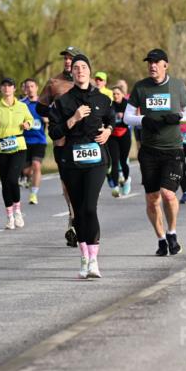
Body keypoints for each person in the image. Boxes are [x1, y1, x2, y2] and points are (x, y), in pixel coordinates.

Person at [48, 54, 113, 278]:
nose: (80, 71)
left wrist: (108, 131)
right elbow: (54, 132)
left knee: (90, 208)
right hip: (72, 162)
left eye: (84, 67)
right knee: (78, 211)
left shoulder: (102, 98)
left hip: (96, 160)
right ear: (72, 73)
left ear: (89, 71)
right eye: (76, 68)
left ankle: (94, 260)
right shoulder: (63, 101)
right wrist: (73, 119)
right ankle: (84, 257)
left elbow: (112, 119)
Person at [123, 48, 186, 256]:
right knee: (152, 198)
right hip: (149, 150)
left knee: (168, 194)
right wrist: (143, 119)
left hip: (173, 149)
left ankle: (172, 232)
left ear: (165, 65)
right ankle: (161, 239)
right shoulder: (141, 87)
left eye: (156, 62)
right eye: (149, 62)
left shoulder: (177, 85)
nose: (152, 66)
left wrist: (177, 117)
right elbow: (127, 117)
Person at [39, 46, 84, 247]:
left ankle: (82, 217)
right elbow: (40, 107)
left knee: (84, 182)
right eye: (65, 58)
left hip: (84, 141)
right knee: (67, 183)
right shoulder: (54, 83)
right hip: (62, 140)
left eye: (71, 58)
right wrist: (56, 116)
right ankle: (74, 219)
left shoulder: (88, 82)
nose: (67, 61)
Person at [0, 77, 32, 229]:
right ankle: (10, 217)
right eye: (4, 86)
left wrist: (27, 124)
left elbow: (30, 120)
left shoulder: (22, 106)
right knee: (5, 183)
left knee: (12, 179)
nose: (6, 88)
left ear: (14, 89)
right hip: (2, 149)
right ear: (1, 89)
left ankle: (17, 211)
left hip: (19, 147)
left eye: (9, 86)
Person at [18, 78, 47, 204]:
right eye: (27, 87)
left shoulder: (43, 103)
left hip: (39, 141)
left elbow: (52, 118)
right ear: (25, 89)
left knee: (36, 165)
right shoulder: (21, 104)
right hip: (24, 141)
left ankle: (33, 194)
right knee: (25, 170)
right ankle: (26, 176)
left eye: (32, 86)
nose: (30, 89)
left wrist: (47, 119)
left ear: (36, 88)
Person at [106, 85, 132, 197]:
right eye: (114, 94)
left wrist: (124, 117)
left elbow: (131, 119)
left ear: (122, 95)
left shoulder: (128, 105)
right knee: (114, 161)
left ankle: (126, 179)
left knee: (123, 160)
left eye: (118, 94)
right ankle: (115, 187)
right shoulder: (110, 105)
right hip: (113, 136)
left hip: (124, 134)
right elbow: (106, 119)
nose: (116, 96)